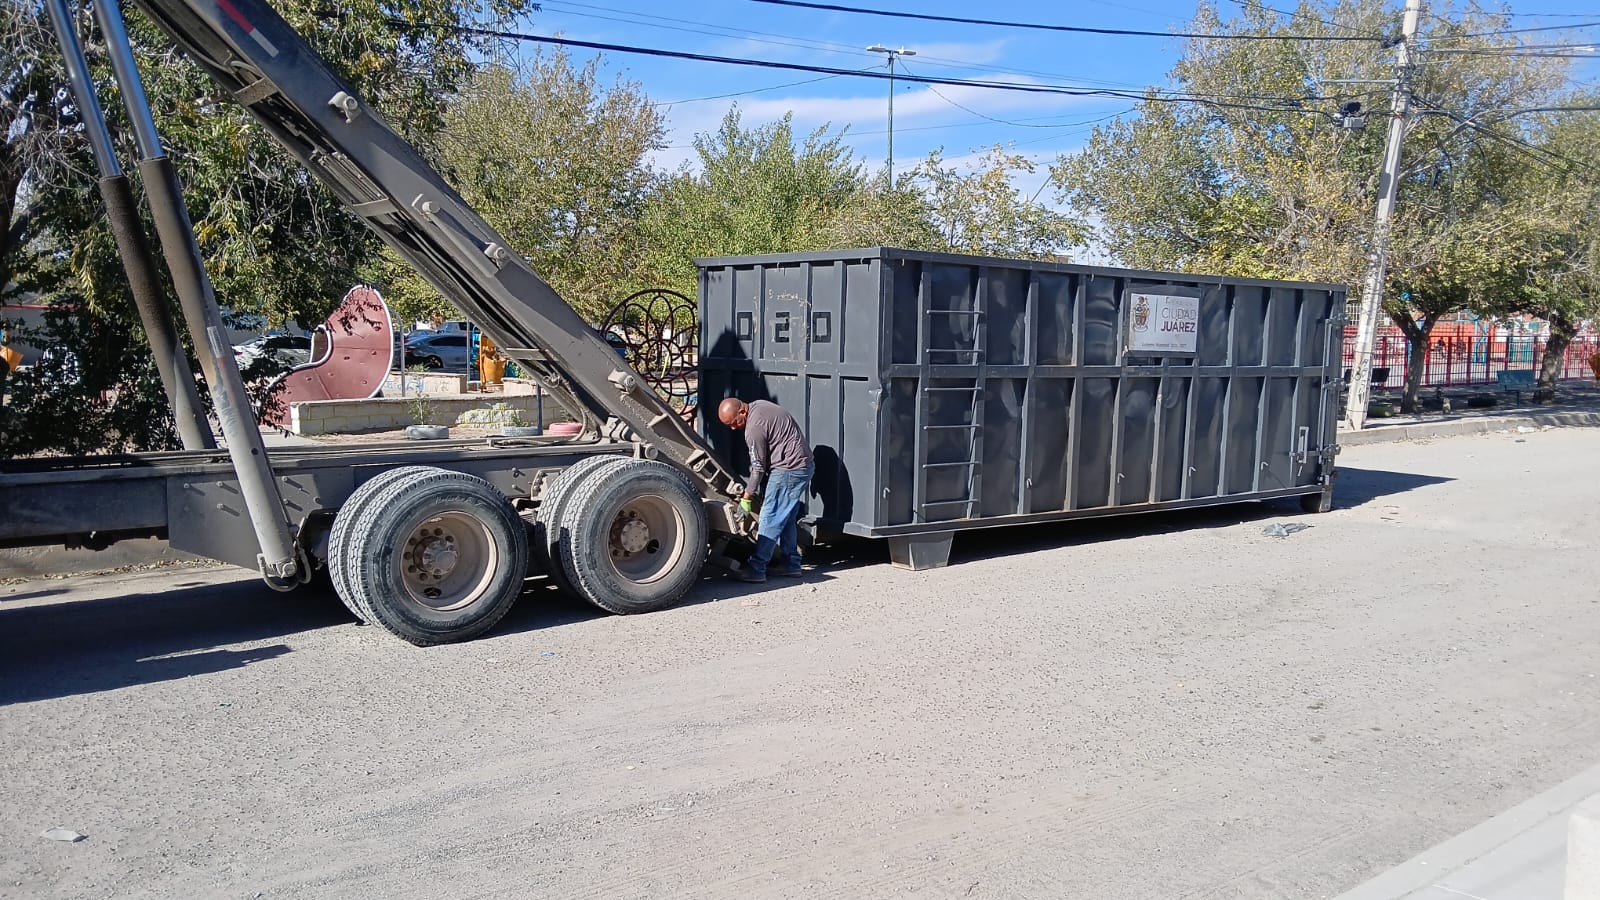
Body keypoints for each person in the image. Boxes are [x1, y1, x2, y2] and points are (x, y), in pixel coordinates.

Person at [718, 397, 813, 583]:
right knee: (786, 517)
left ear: (742, 411)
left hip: (789, 469)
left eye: (734, 422)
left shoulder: (753, 428)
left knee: (770, 516)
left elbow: (758, 468)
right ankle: (791, 564)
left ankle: (757, 568)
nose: (733, 428)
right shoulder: (760, 405)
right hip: (803, 465)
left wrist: (746, 498)